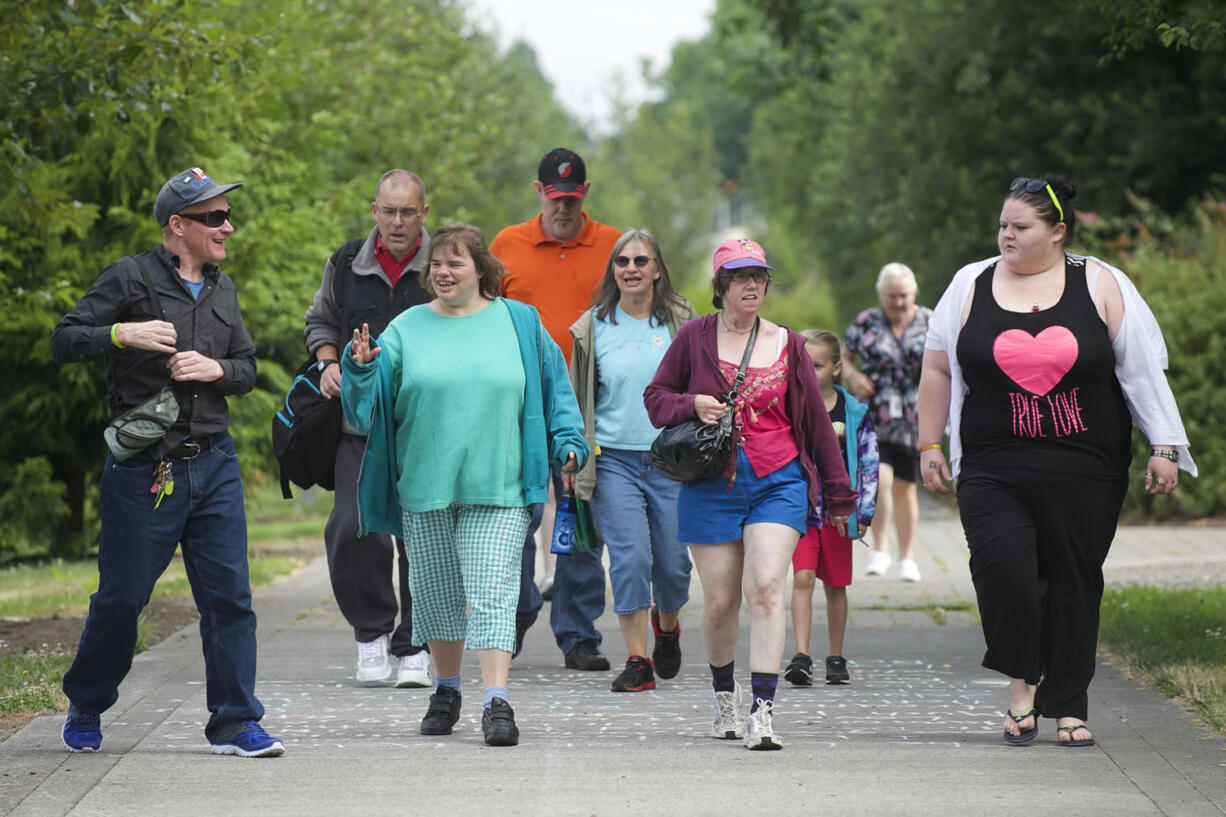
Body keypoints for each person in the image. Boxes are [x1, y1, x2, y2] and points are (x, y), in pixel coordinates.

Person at [917, 174, 1196, 748]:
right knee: (1005, 575)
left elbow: (1140, 371)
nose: (1006, 236)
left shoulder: (1100, 283)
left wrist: (1165, 446)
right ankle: (1023, 686)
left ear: (1058, 232)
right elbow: (939, 366)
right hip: (993, 465)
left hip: (1086, 465)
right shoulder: (969, 284)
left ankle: (1067, 704)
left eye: (1020, 227)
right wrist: (929, 445)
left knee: (1073, 582)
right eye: (1002, 225)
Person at [49, 167, 283, 757]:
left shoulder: (224, 289)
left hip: (215, 464)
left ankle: (234, 722)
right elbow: (64, 338)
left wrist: (218, 370)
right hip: (144, 471)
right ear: (178, 226)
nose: (227, 225)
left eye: (227, 215)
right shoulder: (128, 277)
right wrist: (119, 333)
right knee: (123, 598)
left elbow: (248, 369)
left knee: (230, 599)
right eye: (214, 217)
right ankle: (87, 699)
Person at [341, 223, 589, 746]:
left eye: (455, 263)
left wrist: (568, 438)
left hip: (498, 485)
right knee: (436, 596)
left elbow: (555, 388)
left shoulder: (520, 322)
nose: (443, 272)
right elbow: (366, 412)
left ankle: (496, 701)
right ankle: (447, 690)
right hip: (425, 485)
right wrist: (360, 369)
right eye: (436, 264)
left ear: (481, 268)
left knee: (494, 589)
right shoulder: (407, 327)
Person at [644, 238, 856, 751]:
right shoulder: (694, 337)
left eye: (759, 277)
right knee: (718, 602)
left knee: (764, 588)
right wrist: (692, 403)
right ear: (720, 287)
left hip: (777, 479)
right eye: (740, 277)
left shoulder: (789, 343)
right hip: (710, 483)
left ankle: (763, 712)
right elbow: (655, 399)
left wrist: (839, 494)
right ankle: (725, 700)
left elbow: (817, 425)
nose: (752, 285)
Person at [491, 147, 622, 671]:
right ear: (539, 192)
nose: (562, 209)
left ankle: (578, 631)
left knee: (580, 514)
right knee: (515, 514)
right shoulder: (508, 244)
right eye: (553, 199)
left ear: (584, 193)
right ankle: (516, 615)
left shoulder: (614, 246)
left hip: (588, 404)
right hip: (520, 402)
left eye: (571, 199)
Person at [304, 169, 433, 688]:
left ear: (424, 213)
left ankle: (418, 644)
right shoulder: (345, 263)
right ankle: (371, 634)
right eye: (389, 210)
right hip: (359, 427)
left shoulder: (444, 262)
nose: (398, 221)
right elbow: (318, 321)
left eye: (408, 212)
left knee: (425, 537)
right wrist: (328, 362)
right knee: (354, 527)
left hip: (426, 429)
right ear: (374, 211)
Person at [568, 229, 697, 693]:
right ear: (613, 270)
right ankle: (638, 661)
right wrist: (573, 455)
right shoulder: (593, 325)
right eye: (622, 262)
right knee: (630, 558)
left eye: (641, 261)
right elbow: (577, 397)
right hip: (613, 460)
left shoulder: (680, 321)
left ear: (658, 269)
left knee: (672, 565)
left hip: (672, 460)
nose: (631, 269)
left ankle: (667, 627)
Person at [784, 330, 878, 687]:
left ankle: (835, 656)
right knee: (803, 577)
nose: (809, 371)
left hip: (839, 512)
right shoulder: (790, 406)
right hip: (800, 509)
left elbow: (869, 463)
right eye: (803, 364)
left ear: (837, 368)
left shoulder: (853, 413)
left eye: (818, 365)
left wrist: (863, 512)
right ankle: (801, 655)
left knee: (836, 585)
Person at [843, 262, 931, 582]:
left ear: (914, 293)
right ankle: (879, 549)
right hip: (874, 414)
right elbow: (845, 351)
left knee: (907, 487)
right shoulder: (866, 321)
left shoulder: (930, 321)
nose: (898, 302)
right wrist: (852, 375)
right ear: (881, 294)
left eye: (904, 295)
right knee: (880, 480)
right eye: (892, 296)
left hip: (913, 416)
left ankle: (907, 557)